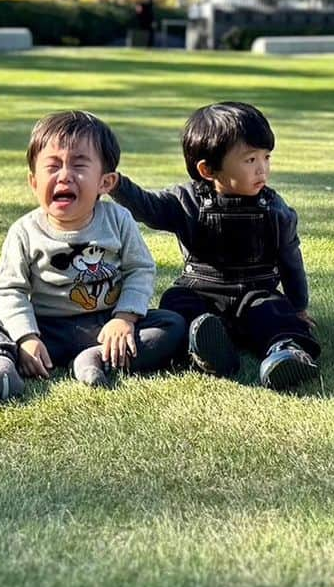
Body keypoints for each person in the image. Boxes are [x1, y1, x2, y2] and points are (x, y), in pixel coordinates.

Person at [0, 110, 186, 405]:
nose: (64, 175)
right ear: (34, 181)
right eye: (52, 167)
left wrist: (125, 318)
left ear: (106, 182)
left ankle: (95, 360)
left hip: (105, 326)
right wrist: (26, 337)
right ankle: (0, 373)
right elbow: (11, 289)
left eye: (79, 165)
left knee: (171, 323)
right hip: (45, 329)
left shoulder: (118, 219)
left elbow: (139, 269)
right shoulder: (24, 231)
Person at [110, 101, 321, 393]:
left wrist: (298, 305)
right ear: (208, 169)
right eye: (250, 160)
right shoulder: (186, 200)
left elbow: (290, 259)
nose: (263, 169)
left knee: (275, 311)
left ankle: (285, 352)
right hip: (201, 289)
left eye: (266, 157)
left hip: (255, 292)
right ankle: (209, 347)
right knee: (177, 303)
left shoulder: (274, 208)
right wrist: (119, 186)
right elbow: (149, 208)